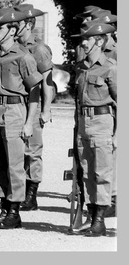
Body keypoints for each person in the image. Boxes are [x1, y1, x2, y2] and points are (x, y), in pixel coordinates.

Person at [0, 8, 42, 229]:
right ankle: (4, 206)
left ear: (12, 30)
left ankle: (15, 212)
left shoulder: (23, 57)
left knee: (15, 164)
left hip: (16, 112)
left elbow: (34, 90)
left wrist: (29, 122)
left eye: (0, 28)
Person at [71, 18, 117, 236]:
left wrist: (119, 135)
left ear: (99, 42)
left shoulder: (111, 68)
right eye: (83, 39)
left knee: (102, 173)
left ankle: (99, 221)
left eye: (87, 39)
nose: (83, 43)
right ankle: (91, 217)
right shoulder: (80, 68)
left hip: (102, 124)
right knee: (87, 173)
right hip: (84, 124)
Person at [13, 4, 55, 211]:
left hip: (34, 105)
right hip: (16, 106)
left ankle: (31, 195)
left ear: (28, 24)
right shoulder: (14, 46)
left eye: (17, 22)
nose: (13, 25)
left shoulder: (38, 49)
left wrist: (46, 110)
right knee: (16, 150)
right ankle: (18, 191)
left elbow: (48, 82)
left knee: (32, 151)